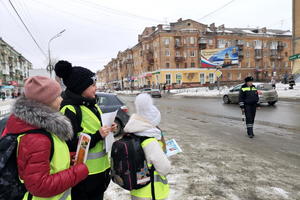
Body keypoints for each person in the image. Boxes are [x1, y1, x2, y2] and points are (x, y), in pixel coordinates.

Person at [2, 76, 89, 199]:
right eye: (57, 97)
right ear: (45, 102)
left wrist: (66, 158)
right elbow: (39, 186)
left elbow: (43, 159)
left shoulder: (42, 127)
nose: (61, 100)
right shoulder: (37, 138)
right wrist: (78, 172)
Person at [55, 60, 117, 200]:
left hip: (100, 170)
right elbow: (69, 144)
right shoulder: (70, 109)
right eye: (92, 85)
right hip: (84, 176)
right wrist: (97, 135)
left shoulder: (92, 106)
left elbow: (99, 129)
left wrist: (110, 128)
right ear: (80, 87)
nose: (96, 88)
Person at [124, 93, 171, 200]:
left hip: (137, 191)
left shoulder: (132, 135)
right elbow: (165, 169)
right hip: (151, 193)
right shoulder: (150, 142)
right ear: (152, 123)